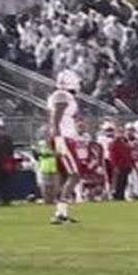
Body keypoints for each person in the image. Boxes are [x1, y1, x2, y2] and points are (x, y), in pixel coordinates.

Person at [47, 69, 87, 223]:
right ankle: (59, 213)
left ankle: (62, 212)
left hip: (63, 137)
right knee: (75, 174)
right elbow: (55, 119)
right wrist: (58, 139)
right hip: (63, 138)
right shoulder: (62, 95)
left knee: (66, 175)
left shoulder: (63, 96)